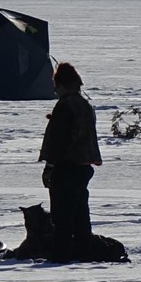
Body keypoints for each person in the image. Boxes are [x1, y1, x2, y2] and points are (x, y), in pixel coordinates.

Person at [37, 62, 102, 260]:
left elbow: (59, 142)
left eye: (56, 86)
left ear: (62, 84)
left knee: (62, 216)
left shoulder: (65, 106)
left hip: (66, 168)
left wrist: (49, 168)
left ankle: (61, 254)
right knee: (81, 213)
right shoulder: (85, 106)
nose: (55, 91)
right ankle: (84, 252)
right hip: (84, 167)